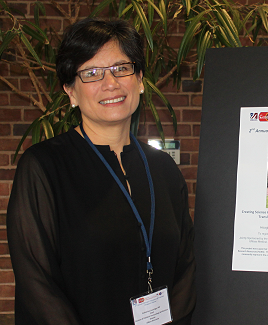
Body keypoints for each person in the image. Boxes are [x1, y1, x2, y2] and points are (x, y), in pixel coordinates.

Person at [7, 18, 196, 324]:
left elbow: (185, 268)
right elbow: (37, 283)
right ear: (70, 91)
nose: (111, 83)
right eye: (91, 73)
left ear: (140, 80)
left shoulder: (164, 169)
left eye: (122, 68)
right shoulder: (43, 167)